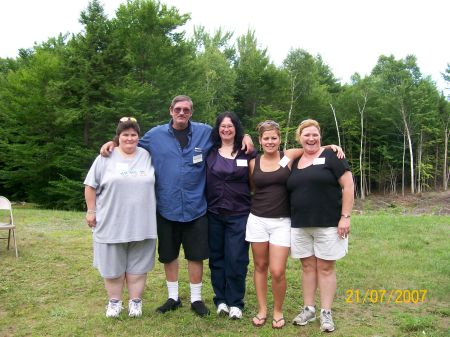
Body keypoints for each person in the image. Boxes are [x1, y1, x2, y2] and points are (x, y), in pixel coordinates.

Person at [100, 95, 254, 317]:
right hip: (166, 207)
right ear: (170, 110)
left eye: (187, 110)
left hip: (196, 208)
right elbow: (130, 142)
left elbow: (227, 132)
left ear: (192, 112)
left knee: (196, 255)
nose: (182, 113)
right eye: (178, 109)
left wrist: (246, 135)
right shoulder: (155, 136)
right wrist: (113, 143)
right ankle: (173, 297)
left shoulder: (204, 132)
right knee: (169, 255)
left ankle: (196, 299)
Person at [84, 117, 157, 318]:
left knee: (138, 267)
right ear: (118, 137)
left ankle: (135, 303)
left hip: (142, 224)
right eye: (125, 134)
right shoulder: (105, 157)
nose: (130, 138)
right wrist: (91, 210)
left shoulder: (147, 155)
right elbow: (90, 186)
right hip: (111, 223)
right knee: (112, 269)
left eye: (133, 135)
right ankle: (114, 303)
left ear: (139, 137)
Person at [287, 119, 354, 333]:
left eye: (315, 134)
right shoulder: (295, 159)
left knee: (325, 268)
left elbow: (348, 185)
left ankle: (326, 312)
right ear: (300, 137)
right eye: (306, 134)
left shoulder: (332, 156)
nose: (311, 138)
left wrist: (345, 216)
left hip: (328, 223)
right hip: (300, 224)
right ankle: (309, 308)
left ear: (320, 136)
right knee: (307, 267)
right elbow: (287, 151)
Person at [246, 120, 302, 329]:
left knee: (277, 271)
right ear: (260, 141)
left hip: (282, 222)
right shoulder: (254, 162)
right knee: (260, 266)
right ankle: (262, 309)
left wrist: (332, 147)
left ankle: (278, 310)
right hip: (257, 220)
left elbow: (312, 146)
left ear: (279, 139)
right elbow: (252, 187)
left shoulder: (288, 157)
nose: (270, 141)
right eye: (266, 138)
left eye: (274, 138)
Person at [206, 111, 256, 320]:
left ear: (237, 128)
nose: (226, 129)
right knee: (217, 258)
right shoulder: (209, 151)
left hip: (239, 214)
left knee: (236, 259)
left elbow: (255, 181)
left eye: (230, 126)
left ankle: (236, 302)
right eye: (223, 126)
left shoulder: (247, 152)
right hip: (214, 213)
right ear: (218, 129)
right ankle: (221, 300)